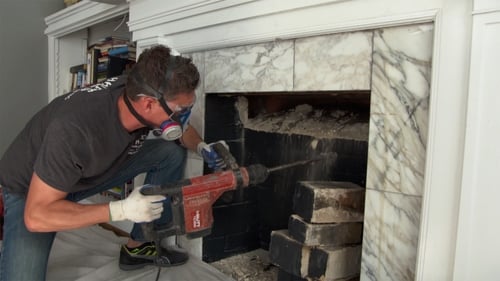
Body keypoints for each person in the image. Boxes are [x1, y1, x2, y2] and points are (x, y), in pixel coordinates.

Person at [0, 45, 226, 280]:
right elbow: (36, 216)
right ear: (148, 104)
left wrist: (201, 146)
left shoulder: (140, 87)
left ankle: (138, 247)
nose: (183, 115)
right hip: (31, 191)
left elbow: (182, 129)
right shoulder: (75, 130)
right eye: (181, 110)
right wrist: (120, 210)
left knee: (169, 153)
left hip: (87, 170)